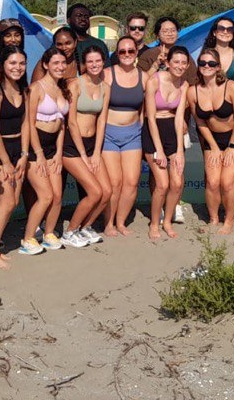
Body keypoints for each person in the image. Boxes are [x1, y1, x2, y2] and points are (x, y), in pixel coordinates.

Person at [190, 47, 234, 234]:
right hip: (211, 138)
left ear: (218, 67)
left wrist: (231, 146)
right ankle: (213, 218)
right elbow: (200, 122)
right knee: (213, 182)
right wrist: (214, 147)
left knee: (227, 182)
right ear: (198, 66)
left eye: (211, 63)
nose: (207, 66)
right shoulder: (193, 91)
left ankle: (229, 221)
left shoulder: (231, 87)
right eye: (203, 63)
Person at [21, 47, 70, 254]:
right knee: (46, 196)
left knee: (58, 196)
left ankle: (49, 233)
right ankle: (28, 238)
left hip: (53, 147)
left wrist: (58, 153)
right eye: (55, 63)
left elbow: (62, 125)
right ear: (45, 65)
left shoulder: (63, 89)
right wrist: (38, 153)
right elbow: (29, 123)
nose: (60, 67)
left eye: (63, 63)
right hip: (36, 146)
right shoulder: (36, 88)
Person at [61, 44, 111, 246]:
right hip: (73, 146)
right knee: (95, 192)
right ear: (84, 64)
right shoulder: (75, 85)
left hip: (92, 145)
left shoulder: (105, 87)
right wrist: (83, 154)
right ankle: (70, 231)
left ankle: (85, 227)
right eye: (90, 61)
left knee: (107, 192)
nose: (94, 64)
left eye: (98, 61)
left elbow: (102, 121)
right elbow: (71, 121)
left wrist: (96, 153)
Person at [0, 49, 29, 268]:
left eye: (22, 63)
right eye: (12, 62)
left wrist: (23, 155)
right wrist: (5, 161)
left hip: (17, 150)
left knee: (12, 203)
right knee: (7, 201)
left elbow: (25, 124)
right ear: (4, 65)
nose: (17, 67)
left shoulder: (22, 89)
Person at [144, 46, 192, 240]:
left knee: (177, 182)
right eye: (176, 62)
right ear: (168, 62)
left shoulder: (184, 85)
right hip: (153, 132)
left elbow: (180, 118)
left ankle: (168, 221)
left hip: (173, 132)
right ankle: (154, 224)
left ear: (188, 64)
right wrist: (159, 151)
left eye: (183, 62)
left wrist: (180, 150)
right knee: (162, 185)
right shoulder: (154, 80)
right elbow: (150, 117)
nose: (180, 66)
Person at [103, 36, 146, 236]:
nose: (127, 54)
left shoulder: (144, 77)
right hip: (109, 134)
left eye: (131, 51)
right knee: (115, 182)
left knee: (131, 181)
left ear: (136, 52)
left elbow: (146, 109)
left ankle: (121, 221)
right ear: (117, 54)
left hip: (133, 134)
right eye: (122, 51)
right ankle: (109, 222)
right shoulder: (107, 75)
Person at [139, 16, 198, 83]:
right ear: (157, 35)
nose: (170, 34)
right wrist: (156, 65)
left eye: (173, 30)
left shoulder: (183, 54)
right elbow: (139, 82)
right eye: (165, 31)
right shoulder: (149, 55)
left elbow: (193, 80)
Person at [69, 3, 109, 71]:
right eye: (79, 16)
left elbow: (107, 70)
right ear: (68, 20)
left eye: (86, 17)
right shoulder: (62, 44)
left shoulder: (99, 44)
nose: (83, 19)